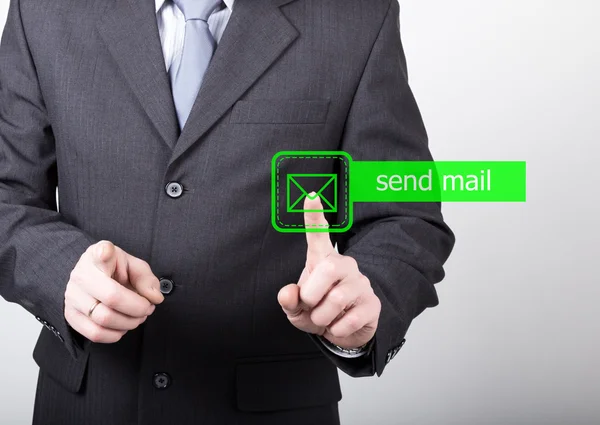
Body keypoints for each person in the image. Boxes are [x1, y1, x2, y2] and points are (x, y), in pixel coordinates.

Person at [0, 0, 455, 424]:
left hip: (274, 407)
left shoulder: (355, 14)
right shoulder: (44, 8)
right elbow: (6, 193)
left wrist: (365, 294)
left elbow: (406, 214)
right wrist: (63, 272)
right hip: (88, 404)